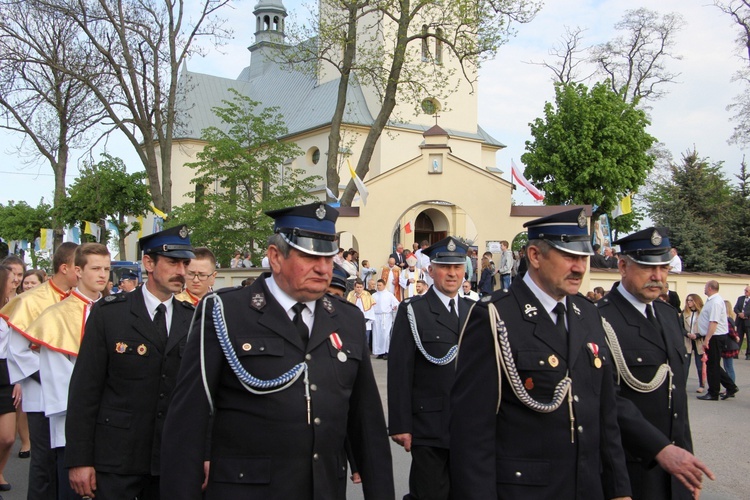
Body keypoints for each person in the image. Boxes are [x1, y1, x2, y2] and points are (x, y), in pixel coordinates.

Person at [160, 202, 394, 499]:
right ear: (275, 257)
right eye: (309, 256)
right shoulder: (225, 312)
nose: (323, 268)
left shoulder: (347, 319)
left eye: (328, 257)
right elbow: (186, 425)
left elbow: (367, 424)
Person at [450, 208, 632, 499]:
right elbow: (471, 432)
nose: (580, 268)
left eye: (583, 258)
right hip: (526, 490)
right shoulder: (496, 316)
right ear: (535, 256)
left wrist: (619, 490)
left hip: (586, 488)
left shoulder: (588, 313)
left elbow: (605, 415)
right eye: (569, 257)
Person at [65, 226, 196, 499]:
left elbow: (199, 397)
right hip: (117, 457)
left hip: (170, 458)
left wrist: (203, 455)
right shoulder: (111, 313)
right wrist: (79, 459)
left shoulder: (192, 318)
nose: (182, 271)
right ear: (148, 263)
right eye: (173, 262)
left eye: (185, 263)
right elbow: (85, 391)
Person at [596, 227, 713, 499]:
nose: (658, 277)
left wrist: (688, 463)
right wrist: (661, 449)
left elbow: (677, 405)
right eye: (648, 268)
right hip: (632, 470)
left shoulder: (668, 315)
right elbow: (607, 401)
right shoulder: (599, 319)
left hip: (676, 469)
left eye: (663, 268)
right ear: (623, 266)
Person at [26, 243, 111, 500]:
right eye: (96, 268)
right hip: (71, 426)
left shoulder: (117, 310)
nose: (103, 275)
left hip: (113, 426)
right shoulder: (56, 316)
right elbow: (58, 378)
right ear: (77, 271)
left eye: (107, 269)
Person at [388, 236, 470, 500]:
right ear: (431, 270)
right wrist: (401, 424)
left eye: (458, 267)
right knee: (429, 494)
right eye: (445, 267)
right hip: (430, 425)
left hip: (470, 428)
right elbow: (400, 370)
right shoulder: (413, 311)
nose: (452, 273)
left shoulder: (476, 311)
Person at [2, 242, 79, 500]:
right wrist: (51, 374)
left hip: (75, 392)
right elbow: (18, 350)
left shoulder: (79, 300)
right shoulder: (31, 300)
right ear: (66, 267)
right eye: (79, 267)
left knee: (70, 462)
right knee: (44, 464)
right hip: (43, 393)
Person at [696, 280, 739, 401]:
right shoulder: (712, 301)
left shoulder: (715, 302)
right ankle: (730, 386)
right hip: (713, 336)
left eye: (705, 286)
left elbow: (714, 322)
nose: (704, 289)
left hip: (715, 336)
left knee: (712, 366)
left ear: (710, 288)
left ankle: (713, 392)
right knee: (712, 364)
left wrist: (707, 339)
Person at [0, 266, 22, 496]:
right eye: (11, 278)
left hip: (5, 370)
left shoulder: (16, 306)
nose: (16, 280)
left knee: (7, 437)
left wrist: (19, 377)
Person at [682, 294, 705, 393]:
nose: (689, 302)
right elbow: (680, 326)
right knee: (685, 365)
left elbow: (706, 328)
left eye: (691, 300)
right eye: (688, 300)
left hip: (699, 340)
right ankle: (682, 385)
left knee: (700, 365)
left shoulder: (702, 313)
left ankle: (702, 384)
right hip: (687, 340)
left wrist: (698, 335)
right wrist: (687, 334)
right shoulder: (684, 313)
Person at [372, 279, 400, 359]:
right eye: (377, 285)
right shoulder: (374, 295)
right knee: (377, 335)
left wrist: (394, 307)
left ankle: (387, 351)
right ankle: (379, 352)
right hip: (376, 316)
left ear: (384, 285)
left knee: (385, 334)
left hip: (386, 316)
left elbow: (396, 303)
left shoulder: (389, 295)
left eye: (380, 285)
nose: (378, 287)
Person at [347, 279, 376, 349]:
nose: (359, 289)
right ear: (354, 287)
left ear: (363, 287)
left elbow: (370, 310)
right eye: (357, 287)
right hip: (354, 322)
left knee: (365, 341)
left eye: (360, 287)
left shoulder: (367, 295)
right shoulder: (351, 295)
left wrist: (364, 320)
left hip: (365, 322)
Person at [722, 300, 739, 382]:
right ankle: (730, 386)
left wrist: (736, 337)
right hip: (730, 345)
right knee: (728, 366)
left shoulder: (726, 319)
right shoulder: (730, 318)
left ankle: (731, 386)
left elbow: (731, 332)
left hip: (728, 346)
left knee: (728, 367)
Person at [733, 285, 750, 360]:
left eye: (747, 291)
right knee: (738, 338)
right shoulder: (740, 298)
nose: (745, 292)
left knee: (749, 339)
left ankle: (748, 354)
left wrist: (745, 314)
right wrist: (739, 313)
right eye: (745, 290)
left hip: (748, 322)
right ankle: (736, 353)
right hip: (740, 321)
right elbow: (735, 308)